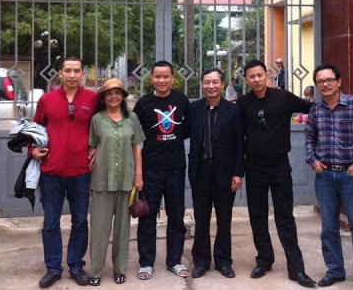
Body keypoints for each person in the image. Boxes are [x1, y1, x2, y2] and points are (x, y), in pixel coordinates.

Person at [237, 59, 315, 288]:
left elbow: (311, 108)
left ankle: (296, 268)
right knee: (257, 215)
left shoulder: (283, 97)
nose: (256, 79)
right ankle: (264, 260)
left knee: (285, 217)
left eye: (260, 75)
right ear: (246, 80)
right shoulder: (242, 103)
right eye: (251, 76)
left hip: (280, 166)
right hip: (254, 167)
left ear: (267, 75)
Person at [305, 64, 353, 290]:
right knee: (328, 227)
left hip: (350, 175)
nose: (325, 84)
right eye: (320, 81)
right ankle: (335, 270)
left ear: (339, 81)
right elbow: (309, 140)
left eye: (329, 79)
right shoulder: (316, 110)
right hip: (325, 176)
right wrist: (313, 161)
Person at [31, 56, 99, 288]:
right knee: (51, 222)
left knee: (80, 221)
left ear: (83, 74)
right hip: (52, 172)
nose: (72, 75)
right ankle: (53, 267)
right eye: (67, 71)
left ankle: (76, 265)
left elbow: (101, 128)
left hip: (81, 172)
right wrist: (32, 150)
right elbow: (35, 128)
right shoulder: (47, 100)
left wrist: (97, 149)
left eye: (76, 71)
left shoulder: (92, 99)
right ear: (60, 73)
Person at [132, 60, 190, 280]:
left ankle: (174, 260)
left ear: (172, 78)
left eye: (166, 76)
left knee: (176, 217)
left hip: (175, 169)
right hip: (150, 170)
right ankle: (146, 263)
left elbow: (185, 130)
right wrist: (138, 173)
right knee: (147, 219)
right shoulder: (144, 103)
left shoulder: (181, 100)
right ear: (152, 78)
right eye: (157, 76)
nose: (162, 80)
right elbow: (136, 136)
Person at [87, 78, 145, 286]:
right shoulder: (96, 120)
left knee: (123, 229)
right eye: (109, 93)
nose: (113, 96)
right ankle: (95, 271)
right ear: (103, 97)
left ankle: (120, 269)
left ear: (123, 96)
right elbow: (91, 148)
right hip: (101, 181)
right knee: (99, 229)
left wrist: (138, 175)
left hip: (125, 181)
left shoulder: (132, 119)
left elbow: (136, 147)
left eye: (117, 93)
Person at [188, 68, 244, 279]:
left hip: (225, 172)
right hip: (200, 171)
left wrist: (238, 173)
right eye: (207, 82)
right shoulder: (193, 109)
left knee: (224, 218)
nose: (211, 86)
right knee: (201, 219)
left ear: (222, 84)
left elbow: (240, 143)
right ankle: (201, 261)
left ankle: (223, 261)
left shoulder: (233, 111)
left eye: (215, 82)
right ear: (202, 85)